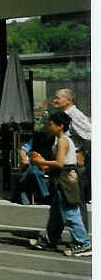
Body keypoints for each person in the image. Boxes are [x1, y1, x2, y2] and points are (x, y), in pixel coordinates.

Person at [29, 110, 91, 256]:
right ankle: (51, 239)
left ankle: (83, 242)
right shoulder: (60, 139)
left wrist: (41, 161)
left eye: (50, 124)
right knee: (56, 212)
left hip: (65, 179)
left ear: (60, 126)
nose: (48, 126)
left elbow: (60, 163)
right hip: (61, 178)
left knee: (70, 212)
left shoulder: (63, 140)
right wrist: (44, 164)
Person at [17, 112, 53, 205]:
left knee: (28, 173)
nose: (45, 127)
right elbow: (23, 150)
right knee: (32, 171)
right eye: (44, 124)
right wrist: (25, 160)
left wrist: (45, 162)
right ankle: (45, 194)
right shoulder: (37, 138)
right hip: (37, 165)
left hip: (51, 165)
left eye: (47, 124)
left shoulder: (57, 139)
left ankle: (24, 194)